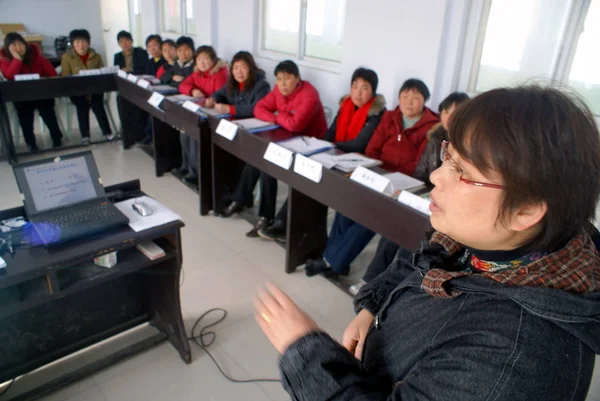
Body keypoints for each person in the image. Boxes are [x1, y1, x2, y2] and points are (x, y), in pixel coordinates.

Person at [255, 85, 600, 401]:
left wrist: (305, 351)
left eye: (462, 171)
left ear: (525, 210)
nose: (436, 175)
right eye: (449, 156)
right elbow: (422, 262)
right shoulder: (496, 242)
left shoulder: (513, 360)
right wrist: (373, 307)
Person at [305, 79, 440, 277]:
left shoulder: (430, 127)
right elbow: (373, 148)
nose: (408, 102)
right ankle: (336, 260)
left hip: (405, 183)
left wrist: (392, 177)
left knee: (370, 216)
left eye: (415, 98)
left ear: (425, 101)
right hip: (378, 174)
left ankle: (331, 261)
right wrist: (376, 171)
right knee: (346, 206)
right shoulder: (390, 117)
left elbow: (418, 164)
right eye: (404, 97)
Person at [350, 92, 470, 294]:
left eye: (456, 112)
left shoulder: (468, 147)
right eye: (446, 111)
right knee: (394, 227)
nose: (450, 117)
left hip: (448, 208)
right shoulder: (435, 138)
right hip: (427, 198)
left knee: (413, 238)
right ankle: (370, 280)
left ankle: (392, 289)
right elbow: (421, 173)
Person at [258, 67, 387, 243]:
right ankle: (285, 224)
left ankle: (290, 227)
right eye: (355, 86)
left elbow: (359, 144)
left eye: (364, 88)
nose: (358, 92)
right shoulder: (346, 106)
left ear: (373, 92)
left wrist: (330, 146)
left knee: (317, 183)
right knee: (305, 176)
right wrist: (320, 145)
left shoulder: (377, 114)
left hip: (355, 167)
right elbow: (330, 132)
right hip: (335, 158)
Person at [219, 60, 328, 237]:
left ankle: (265, 216)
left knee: (267, 160)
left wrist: (278, 116)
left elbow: (296, 125)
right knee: (260, 157)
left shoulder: (309, 94)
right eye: (279, 79)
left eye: (287, 78)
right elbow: (259, 109)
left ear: (297, 79)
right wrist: (279, 117)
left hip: (310, 147)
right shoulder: (278, 90)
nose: (283, 84)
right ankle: (243, 201)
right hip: (286, 140)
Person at [0, 32, 63, 151]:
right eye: (14, 45)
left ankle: (56, 138)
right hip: (21, 97)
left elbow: (53, 74)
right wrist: (17, 60)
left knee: (48, 112)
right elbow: (9, 76)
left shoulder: (38, 58)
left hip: (41, 94)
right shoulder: (4, 61)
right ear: (8, 48)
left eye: (21, 44)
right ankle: (31, 143)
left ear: (26, 45)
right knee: (25, 117)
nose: (18, 48)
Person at [177, 45, 229, 184]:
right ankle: (187, 166)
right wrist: (192, 90)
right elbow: (183, 85)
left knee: (194, 133)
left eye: (205, 59)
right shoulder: (197, 73)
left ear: (213, 60)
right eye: (199, 59)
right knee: (184, 131)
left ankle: (196, 172)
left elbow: (218, 96)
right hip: (200, 111)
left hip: (213, 114)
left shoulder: (220, 73)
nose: (202, 62)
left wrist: (208, 99)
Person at [61, 29, 114, 145]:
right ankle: (85, 136)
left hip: (95, 89)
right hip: (77, 91)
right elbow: (65, 76)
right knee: (82, 106)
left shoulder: (96, 56)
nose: (81, 45)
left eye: (84, 42)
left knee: (97, 105)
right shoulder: (66, 57)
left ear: (88, 42)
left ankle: (107, 132)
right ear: (72, 44)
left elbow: (102, 73)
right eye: (77, 42)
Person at [204, 51, 271, 118]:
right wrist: (213, 99)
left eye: (243, 67)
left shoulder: (262, 86)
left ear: (251, 69)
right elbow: (219, 94)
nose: (239, 72)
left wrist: (230, 109)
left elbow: (256, 108)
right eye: (236, 68)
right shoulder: (232, 83)